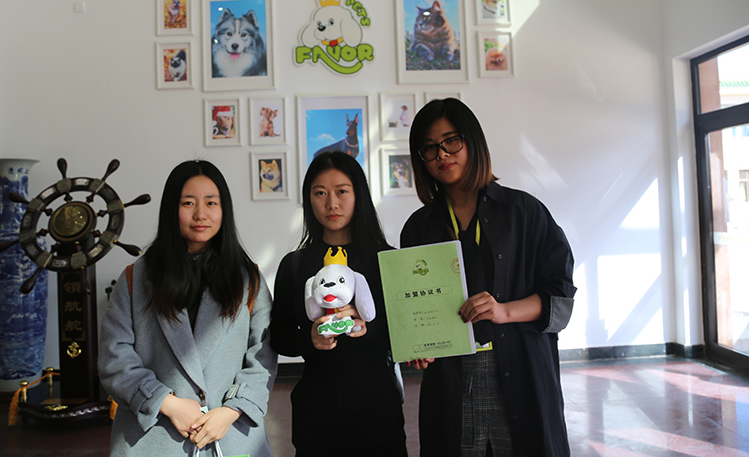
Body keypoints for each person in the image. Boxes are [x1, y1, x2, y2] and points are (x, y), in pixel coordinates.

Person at [400, 98, 576, 457]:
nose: (442, 154)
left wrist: (504, 311)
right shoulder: (419, 227)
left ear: (473, 141)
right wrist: (418, 347)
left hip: (521, 369)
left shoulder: (524, 212)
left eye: (451, 141)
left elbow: (560, 294)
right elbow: (412, 305)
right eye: (429, 147)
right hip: (451, 378)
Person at [99, 160, 277, 456]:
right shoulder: (136, 278)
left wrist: (232, 410)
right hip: (154, 436)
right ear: (172, 209)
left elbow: (263, 356)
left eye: (211, 203)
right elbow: (113, 356)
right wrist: (165, 402)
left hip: (229, 433)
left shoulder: (249, 279)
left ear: (224, 209)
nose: (200, 214)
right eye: (188, 203)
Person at [270, 151, 407, 457]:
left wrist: (367, 328)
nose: (331, 204)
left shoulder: (388, 260)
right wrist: (310, 338)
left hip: (377, 406)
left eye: (342, 191)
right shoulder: (294, 265)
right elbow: (278, 336)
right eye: (320, 193)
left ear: (359, 195)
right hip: (317, 409)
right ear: (308, 200)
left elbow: (405, 330)